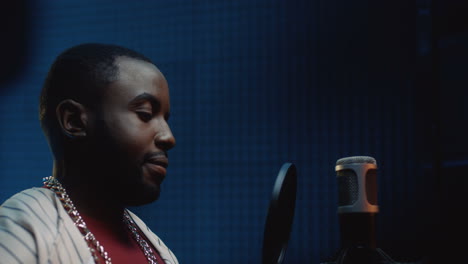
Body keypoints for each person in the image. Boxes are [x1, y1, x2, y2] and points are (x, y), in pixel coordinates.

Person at [0, 43, 179, 264]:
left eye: (165, 119)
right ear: (74, 120)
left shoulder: (157, 250)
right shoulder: (24, 227)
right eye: (145, 114)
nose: (168, 137)